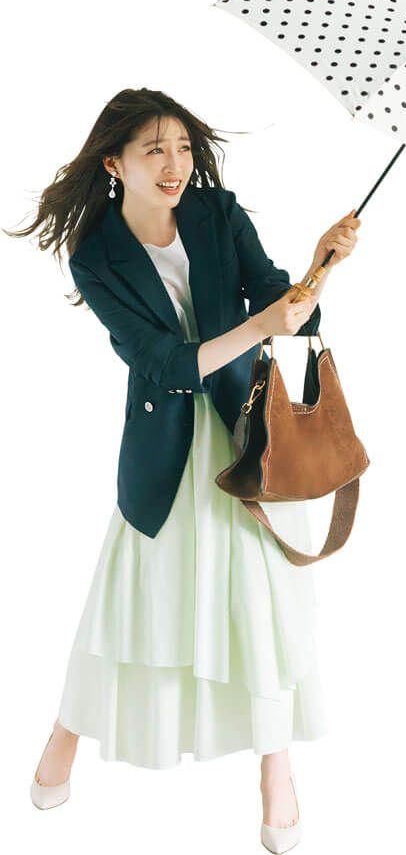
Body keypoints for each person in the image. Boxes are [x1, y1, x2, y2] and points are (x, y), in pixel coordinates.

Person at [5, 87, 360, 852]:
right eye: (154, 149)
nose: (174, 164)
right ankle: (66, 733)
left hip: (245, 436)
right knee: (129, 601)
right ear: (115, 163)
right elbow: (161, 364)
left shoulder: (215, 212)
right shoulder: (95, 255)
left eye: (183, 148)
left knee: (260, 600)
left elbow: (279, 301)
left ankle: (276, 770)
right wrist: (259, 325)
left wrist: (319, 268)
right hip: (165, 450)